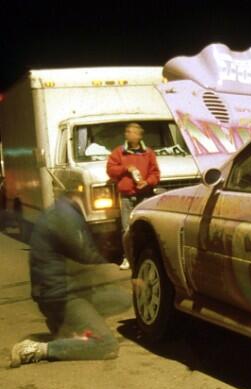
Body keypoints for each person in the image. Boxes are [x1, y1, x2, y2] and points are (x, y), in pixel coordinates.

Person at [10, 193, 128, 367]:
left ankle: (66, 327)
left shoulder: (63, 211)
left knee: (122, 299)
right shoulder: (65, 216)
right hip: (62, 296)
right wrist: (121, 272)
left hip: (65, 290)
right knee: (106, 345)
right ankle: (34, 349)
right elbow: (86, 257)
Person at [106, 123, 160, 270]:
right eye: (127, 132)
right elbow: (110, 170)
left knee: (145, 229)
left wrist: (147, 182)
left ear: (139, 136)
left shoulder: (148, 153)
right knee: (127, 229)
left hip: (144, 196)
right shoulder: (119, 152)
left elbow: (155, 174)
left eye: (131, 132)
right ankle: (128, 258)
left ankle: (143, 257)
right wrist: (125, 168)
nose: (127, 134)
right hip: (126, 197)